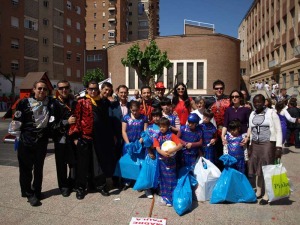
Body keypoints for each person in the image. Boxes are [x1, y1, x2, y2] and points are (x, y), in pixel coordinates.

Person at [8, 80, 52, 206]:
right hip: (26, 141)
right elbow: (16, 121)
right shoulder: (24, 103)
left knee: (39, 169)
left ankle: (37, 191)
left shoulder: (49, 102)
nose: (42, 91)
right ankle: (28, 193)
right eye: (39, 88)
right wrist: (18, 138)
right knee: (26, 169)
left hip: (41, 142)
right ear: (34, 89)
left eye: (44, 89)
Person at [69, 81, 114, 200]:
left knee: (99, 163)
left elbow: (106, 120)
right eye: (90, 89)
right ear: (87, 89)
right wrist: (75, 137)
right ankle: (80, 188)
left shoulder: (103, 102)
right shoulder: (80, 102)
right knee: (82, 164)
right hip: (83, 137)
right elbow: (75, 119)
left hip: (99, 138)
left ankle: (100, 185)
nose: (93, 91)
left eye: (95, 89)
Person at [248, 94, 282, 205]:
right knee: (258, 168)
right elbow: (250, 129)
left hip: (268, 144)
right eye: (255, 102)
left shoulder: (272, 113)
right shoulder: (252, 114)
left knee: (267, 168)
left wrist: (278, 147)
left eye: (259, 101)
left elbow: (279, 130)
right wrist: (250, 144)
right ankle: (258, 192)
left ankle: (266, 195)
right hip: (255, 144)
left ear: (264, 102)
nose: (257, 104)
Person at [50, 80, 76, 197]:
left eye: (66, 87)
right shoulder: (53, 104)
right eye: (61, 88)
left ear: (69, 88)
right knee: (61, 165)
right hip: (60, 139)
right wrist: (66, 122)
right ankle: (63, 186)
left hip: (73, 138)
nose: (64, 90)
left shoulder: (73, 102)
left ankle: (71, 183)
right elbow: (51, 124)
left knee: (73, 163)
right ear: (57, 90)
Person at [153, 117, 183, 206]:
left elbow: (180, 145)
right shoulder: (157, 136)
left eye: (164, 126)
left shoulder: (172, 135)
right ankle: (164, 196)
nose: (161, 128)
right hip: (162, 161)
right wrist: (162, 152)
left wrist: (171, 150)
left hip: (171, 161)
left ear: (168, 126)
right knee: (162, 178)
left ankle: (171, 197)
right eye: (160, 126)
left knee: (171, 178)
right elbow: (157, 147)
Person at [122, 100, 148, 190]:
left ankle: (138, 181)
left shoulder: (144, 118)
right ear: (130, 109)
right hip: (128, 143)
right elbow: (123, 131)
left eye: (137, 110)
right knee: (128, 161)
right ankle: (127, 181)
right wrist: (128, 143)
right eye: (133, 110)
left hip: (139, 143)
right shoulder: (126, 118)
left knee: (140, 162)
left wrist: (139, 142)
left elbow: (145, 131)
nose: (135, 112)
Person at [206, 80, 230, 169]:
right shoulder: (209, 101)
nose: (219, 90)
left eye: (221, 88)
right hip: (214, 131)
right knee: (215, 154)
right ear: (213, 89)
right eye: (217, 88)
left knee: (226, 153)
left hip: (227, 130)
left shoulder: (229, 100)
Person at [110, 85, 130, 187]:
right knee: (116, 158)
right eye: (121, 92)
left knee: (128, 158)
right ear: (118, 93)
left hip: (128, 137)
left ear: (127, 93)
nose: (123, 94)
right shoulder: (113, 105)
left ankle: (127, 179)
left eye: (125, 92)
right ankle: (115, 180)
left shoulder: (131, 106)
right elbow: (110, 121)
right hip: (116, 137)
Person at [143, 108, 162, 199]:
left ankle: (158, 188)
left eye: (157, 116)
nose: (156, 118)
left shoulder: (163, 127)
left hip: (160, 153)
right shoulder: (149, 128)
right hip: (150, 153)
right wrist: (150, 151)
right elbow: (146, 140)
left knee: (159, 170)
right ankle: (148, 189)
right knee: (149, 170)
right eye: (154, 116)